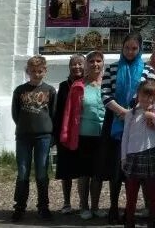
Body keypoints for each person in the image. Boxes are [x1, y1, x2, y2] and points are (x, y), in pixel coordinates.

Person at [101, 33, 155, 224]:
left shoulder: (148, 70)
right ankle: (114, 207)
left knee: (136, 171)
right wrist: (124, 112)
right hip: (116, 122)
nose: (130, 52)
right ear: (122, 48)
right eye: (127, 48)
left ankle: (132, 210)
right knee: (116, 170)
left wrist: (134, 113)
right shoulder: (112, 69)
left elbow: (151, 95)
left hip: (140, 124)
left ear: (140, 49)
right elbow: (105, 93)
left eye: (134, 48)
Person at [59, 50, 107, 220]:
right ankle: (83, 206)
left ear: (103, 63)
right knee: (84, 173)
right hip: (83, 135)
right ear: (87, 64)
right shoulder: (78, 85)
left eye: (98, 61)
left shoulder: (107, 84)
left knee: (98, 174)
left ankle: (95, 206)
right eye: (92, 61)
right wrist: (66, 134)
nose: (95, 64)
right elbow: (69, 113)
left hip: (102, 136)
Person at [11, 55, 57, 222]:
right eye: (33, 71)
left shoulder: (50, 91)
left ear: (45, 71)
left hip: (43, 136)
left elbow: (53, 114)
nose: (36, 74)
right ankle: (19, 207)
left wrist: (51, 134)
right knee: (23, 171)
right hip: (23, 137)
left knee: (41, 172)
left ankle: (43, 207)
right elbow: (15, 114)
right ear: (27, 71)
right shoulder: (19, 91)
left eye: (40, 71)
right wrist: (24, 127)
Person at [120, 79, 155, 228]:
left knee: (152, 191)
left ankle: (152, 218)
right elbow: (125, 137)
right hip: (133, 155)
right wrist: (123, 157)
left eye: (151, 96)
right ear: (138, 95)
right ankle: (129, 219)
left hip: (151, 153)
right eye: (144, 95)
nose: (147, 99)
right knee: (131, 191)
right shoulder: (131, 114)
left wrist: (153, 117)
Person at [53, 54, 85, 214]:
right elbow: (58, 112)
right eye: (73, 64)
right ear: (69, 67)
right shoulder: (63, 86)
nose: (77, 67)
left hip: (83, 132)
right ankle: (66, 202)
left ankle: (83, 202)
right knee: (66, 169)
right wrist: (56, 134)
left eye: (80, 64)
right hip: (66, 132)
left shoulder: (89, 84)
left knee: (83, 170)